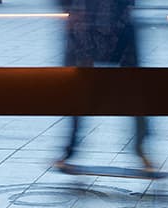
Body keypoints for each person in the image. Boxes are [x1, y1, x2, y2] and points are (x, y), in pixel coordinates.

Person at [53, 0, 156, 174]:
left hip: (92, 22)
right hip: (103, 23)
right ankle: (141, 147)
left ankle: (70, 148)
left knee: (81, 88)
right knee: (131, 87)